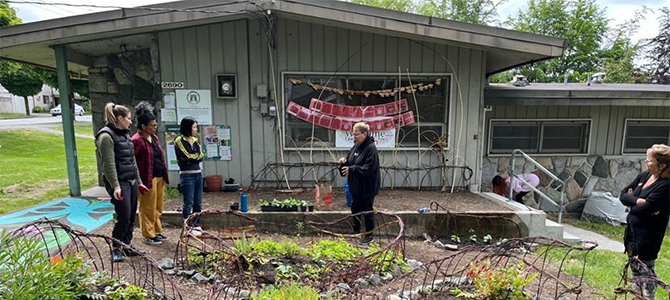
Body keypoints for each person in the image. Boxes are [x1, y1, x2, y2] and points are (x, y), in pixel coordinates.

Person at [95, 102, 149, 262]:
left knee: (132, 215)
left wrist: (139, 181)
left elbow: (132, 160)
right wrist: (116, 186)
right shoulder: (106, 136)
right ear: (120, 118)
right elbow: (108, 164)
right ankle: (116, 247)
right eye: (129, 118)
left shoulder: (124, 134)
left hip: (131, 180)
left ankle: (126, 244)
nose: (131, 122)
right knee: (123, 215)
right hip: (120, 182)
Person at [619, 144, 670, 299]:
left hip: (649, 235)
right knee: (634, 266)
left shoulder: (666, 185)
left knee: (646, 268)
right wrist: (638, 201)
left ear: (661, 165)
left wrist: (632, 204)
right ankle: (637, 295)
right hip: (632, 231)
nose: (646, 162)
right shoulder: (644, 176)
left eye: (649, 160)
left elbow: (647, 207)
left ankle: (648, 297)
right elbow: (622, 195)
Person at [132, 102, 169, 245]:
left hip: (159, 177)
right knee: (147, 207)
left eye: (155, 125)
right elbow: (133, 161)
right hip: (147, 179)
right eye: (152, 125)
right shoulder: (137, 140)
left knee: (158, 206)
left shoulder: (154, 138)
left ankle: (157, 230)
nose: (155, 128)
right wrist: (138, 181)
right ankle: (148, 234)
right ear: (143, 127)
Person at [338, 122, 381, 245]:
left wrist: (352, 169)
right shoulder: (356, 147)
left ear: (364, 134)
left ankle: (369, 234)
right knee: (355, 208)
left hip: (367, 186)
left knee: (367, 210)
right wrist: (344, 163)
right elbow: (351, 163)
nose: (354, 137)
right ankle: (356, 231)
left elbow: (368, 168)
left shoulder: (371, 148)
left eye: (356, 134)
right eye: (353, 134)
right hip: (355, 186)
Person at [174, 117, 204, 232]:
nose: (196, 130)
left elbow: (201, 155)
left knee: (198, 202)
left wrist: (194, 158)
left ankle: (197, 224)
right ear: (187, 128)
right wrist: (194, 158)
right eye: (194, 127)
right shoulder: (179, 141)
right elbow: (185, 156)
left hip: (198, 174)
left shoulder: (195, 141)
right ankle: (187, 225)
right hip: (187, 175)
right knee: (188, 202)